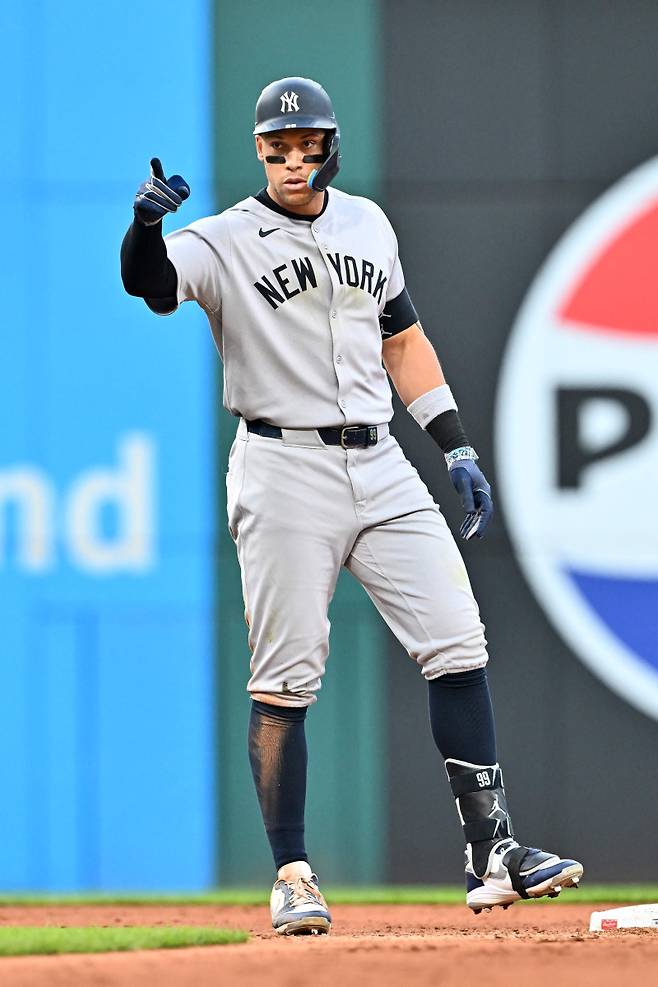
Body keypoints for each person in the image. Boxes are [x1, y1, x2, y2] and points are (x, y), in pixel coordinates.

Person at [121, 76, 583, 936]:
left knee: (458, 640)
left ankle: (493, 852)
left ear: (331, 144)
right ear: (259, 151)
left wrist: (455, 443)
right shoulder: (224, 239)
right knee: (287, 676)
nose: (293, 157)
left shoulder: (368, 223)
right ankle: (292, 871)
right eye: (277, 146)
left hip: (380, 457)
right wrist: (145, 226)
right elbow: (150, 286)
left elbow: (402, 337)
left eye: (308, 143)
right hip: (280, 461)